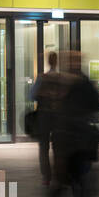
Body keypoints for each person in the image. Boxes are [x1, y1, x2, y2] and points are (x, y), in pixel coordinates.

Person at [47, 51, 99, 197]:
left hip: (62, 140)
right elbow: (96, 104)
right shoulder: (82, 83)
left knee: (61, 184)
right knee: (82, 185)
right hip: (78, 142)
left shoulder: (59, 82)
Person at [30, 51, 62, 187]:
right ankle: (59, 174)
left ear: (48, 62)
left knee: (43, 148)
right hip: (59, 117)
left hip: (44, 116)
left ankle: (46, 177)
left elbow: (31, 95)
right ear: (57, 62)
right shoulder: (62, 79)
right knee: (58, 147)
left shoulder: (42, 78)